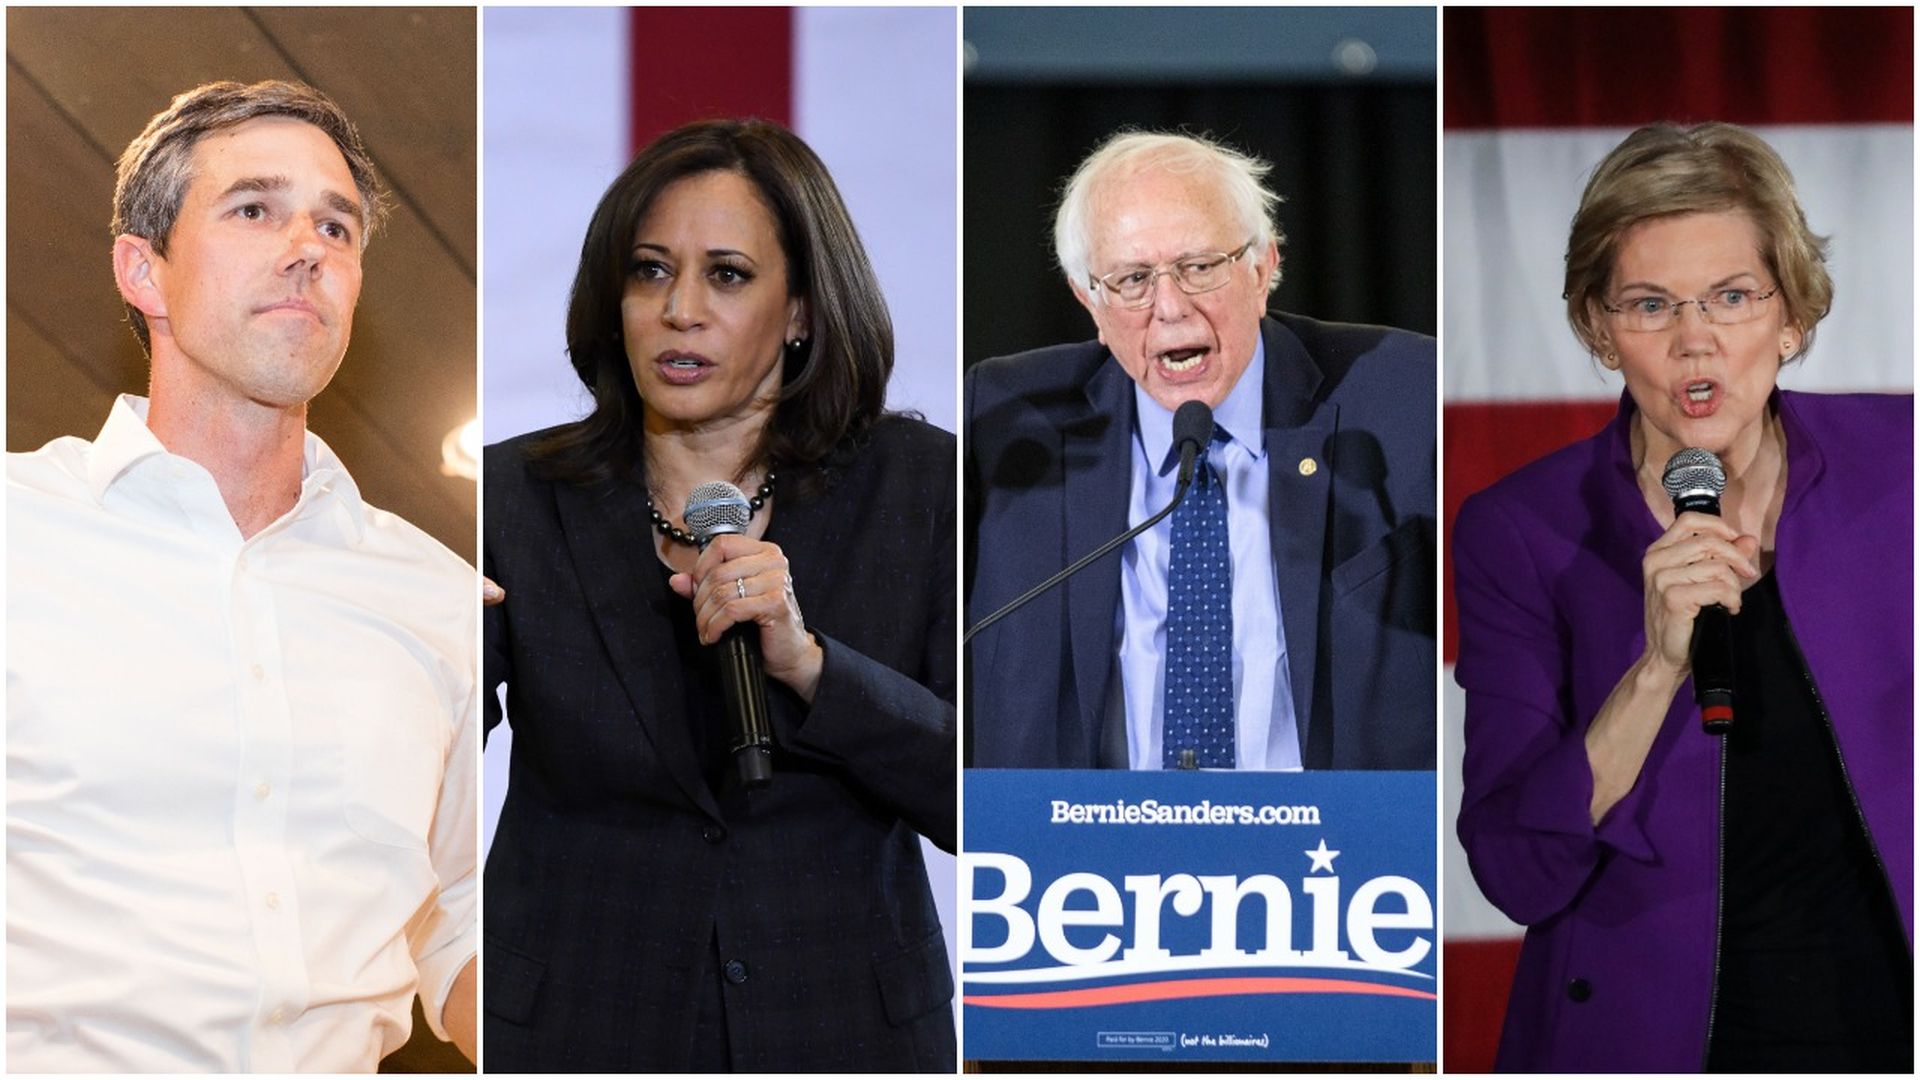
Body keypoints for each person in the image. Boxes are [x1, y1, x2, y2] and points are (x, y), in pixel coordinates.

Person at [6, 81, 477, 1071]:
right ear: (144, 271)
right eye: (255, 208)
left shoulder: (439, 599)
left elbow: (472, 935)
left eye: (338, 226)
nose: (308, 245)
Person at [481, 119, 955, 1072]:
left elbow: (976, 794)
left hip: (840, 1027)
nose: (679, 310)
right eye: (649, 271)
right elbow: (415, 766)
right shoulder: (516, 498)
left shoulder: (921, 488)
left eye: (727, 275)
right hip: (579, 1024)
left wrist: (812, 668)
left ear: (802, 312)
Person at [1454, 123, 1913, 1072]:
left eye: (1733, 297)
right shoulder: (1521, 530)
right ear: (1597, 329)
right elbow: (1515, 868)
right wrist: (1657, 667)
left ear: (1792, 317)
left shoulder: (1903, 465)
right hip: (1651, 1034)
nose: (1695, 340)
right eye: (1650, 304)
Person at [966, 130, 1435, 770]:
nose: (1170, 307)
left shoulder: (1404, 396)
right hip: (1088, 857)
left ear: (1265, 266)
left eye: (1200, 267)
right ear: (1090, 302)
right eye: (1132, 279)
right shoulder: (1008, 424)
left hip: (1330, 855)